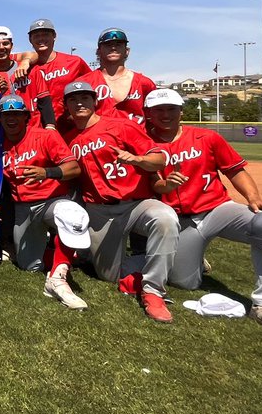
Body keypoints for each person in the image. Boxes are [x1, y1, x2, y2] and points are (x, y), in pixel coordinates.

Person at [144, 88, 262, 337]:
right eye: (159, 110)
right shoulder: (142, 143)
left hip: (217, 209)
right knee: (185, 283)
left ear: (181, 111)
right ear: (149, 114)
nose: (166, 115)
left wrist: (254, 198)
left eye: (171, 109)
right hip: (181, 222)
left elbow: (235, 170)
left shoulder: (206, 137)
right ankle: (194, 257)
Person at [61, 80, 179, 323]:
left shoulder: (120, 126)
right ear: (66, 106)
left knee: (164, 217)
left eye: (85, 97)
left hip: (137, 204)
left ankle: (153, 291)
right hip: (100, 211)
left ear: (95, 101)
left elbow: (159, 159)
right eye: (73, 99)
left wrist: (137, 160)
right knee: (108, 275)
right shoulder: (70, 139)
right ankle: (169, 259)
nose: (79, 102)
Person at [0, 95, 89, 310]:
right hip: (24, 208)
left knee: (72, 214)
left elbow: (74, 168)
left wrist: (47, 172)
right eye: (6, 115)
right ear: (0, 119)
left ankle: (58, 277)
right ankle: (62, 252)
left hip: (52, 201)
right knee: (29, 266)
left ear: (26, 117)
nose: (12, 119)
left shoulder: (45, 136)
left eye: (17, 114)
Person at [77, 28, 156, 124]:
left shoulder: (145, 83)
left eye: (118, 44)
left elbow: (155, 117)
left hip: (136, 137)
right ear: (98, 51)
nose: (113, 48)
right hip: (100, 138)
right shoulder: (84, 83)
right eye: (108, 45)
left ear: (127, 50)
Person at [25, 18, 90, 128]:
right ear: (30, 39)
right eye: (36, 36)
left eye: (45, 34)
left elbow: (93, 89)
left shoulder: (75, 62)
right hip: (36, 128)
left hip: (69, 126)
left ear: (54, 36)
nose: (41, 39)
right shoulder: (25, 68)